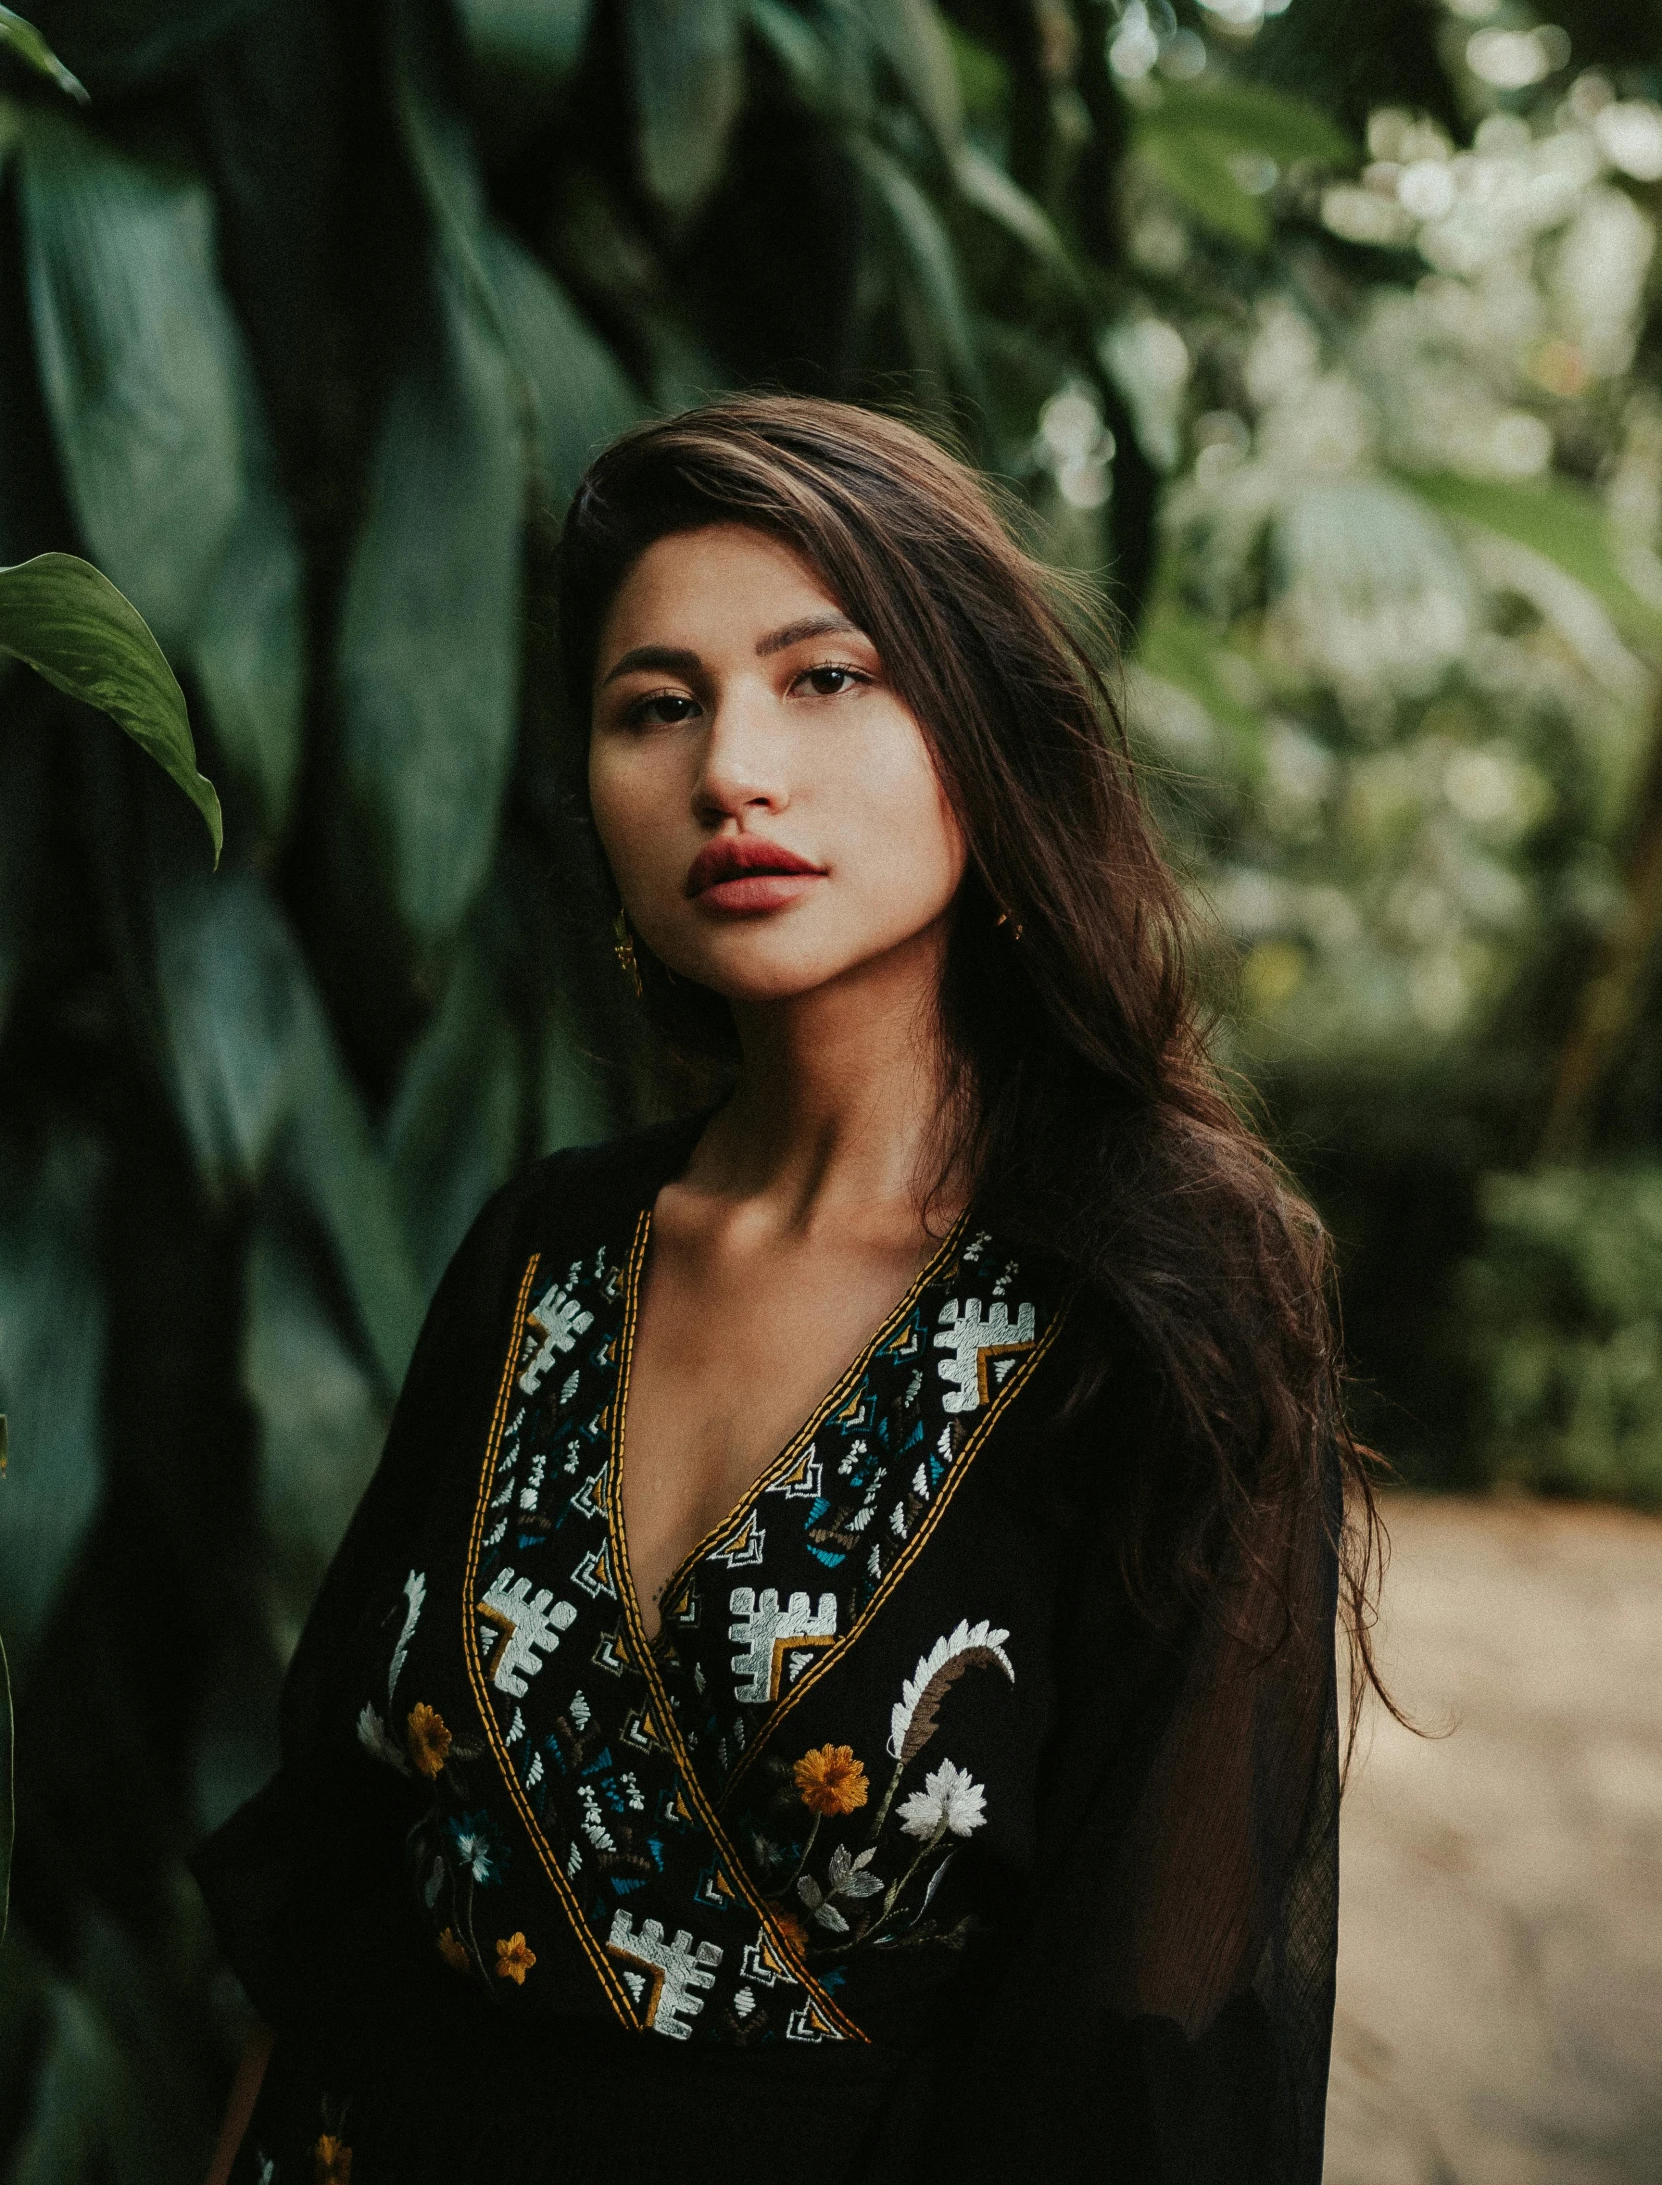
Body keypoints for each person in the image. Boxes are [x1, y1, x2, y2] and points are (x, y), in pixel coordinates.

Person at [195, 396, 1384, 2184]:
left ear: (981, 740)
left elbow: (1150, 2060)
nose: (729, 767)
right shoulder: (546, 1256)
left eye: (823, 678)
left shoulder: (1161, 1302)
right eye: (653, 706)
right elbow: (343, 1872)